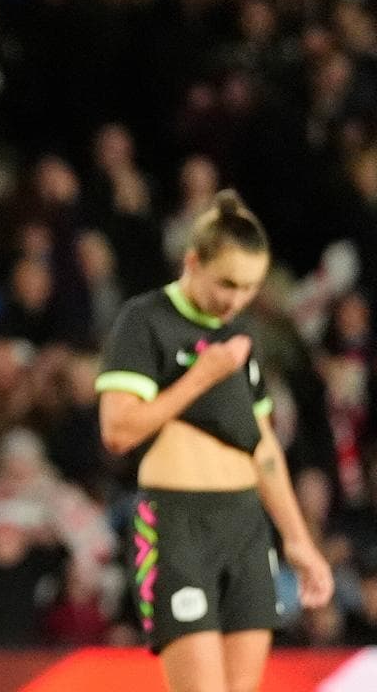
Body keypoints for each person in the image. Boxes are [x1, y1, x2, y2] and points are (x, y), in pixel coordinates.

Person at [95, 189, 334, 691]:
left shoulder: (240, 335)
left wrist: (297, 539)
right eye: (227, 282)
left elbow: (263, 446)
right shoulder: (146, 320)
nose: (235, 299)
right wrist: (200, 377)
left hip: (245, 524)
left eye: (249, 288)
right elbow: (118, 432)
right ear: (193, 262)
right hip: (177, 522)